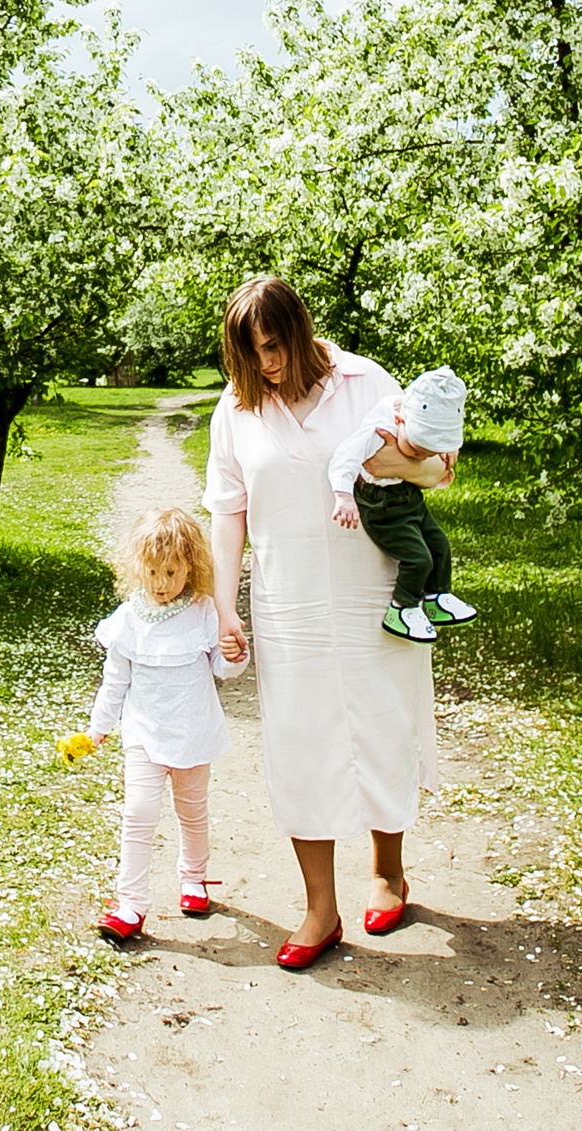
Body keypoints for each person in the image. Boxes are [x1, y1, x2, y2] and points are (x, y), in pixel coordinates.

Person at [205, 275, 439, 970]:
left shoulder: (366, 382)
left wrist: (408, 457)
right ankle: (320, 907)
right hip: (291, 602)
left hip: (376, 590)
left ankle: (388, 873)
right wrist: (226, 604)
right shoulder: (237, 406)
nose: (267, 365)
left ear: (300, 331)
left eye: (274, 347)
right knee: (300, 743)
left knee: (384, 726)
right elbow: (227, 509)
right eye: (251, 354)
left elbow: (435, 469)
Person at [68, 507, 249, 943]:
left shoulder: (205, 612)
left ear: (192, 565)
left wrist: (234, 652)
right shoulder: (128, 619)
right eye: (152, 572)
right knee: (138, 813)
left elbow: (222, 670)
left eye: (172, 571)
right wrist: (98, 728)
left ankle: (194, 878)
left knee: (192, 811)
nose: (162, 582)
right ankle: (130, 905)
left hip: (193, 731)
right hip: (144, 736)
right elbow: (116, 680)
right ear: (137, 568)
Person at [328, 365, 477, 642]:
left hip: (408, 495)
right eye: (418, 449)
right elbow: (343, 459)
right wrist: (344, 496)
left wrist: (445, 448)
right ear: (399, 420)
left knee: (440, 545)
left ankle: (437, 598)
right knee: (418, 558)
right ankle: (403, 608)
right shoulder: (377, 430)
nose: (421, 456)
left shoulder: (420, 415)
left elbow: (436, 441)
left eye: (429, 452)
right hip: (381, 505)